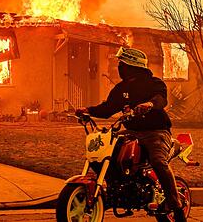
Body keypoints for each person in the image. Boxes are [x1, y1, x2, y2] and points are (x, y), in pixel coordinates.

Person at [76, 47, 186, 222]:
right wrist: (88, 110)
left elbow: (161, 99)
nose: (119, 67)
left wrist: (149, 104)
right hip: (131, 132)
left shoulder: (154, 83)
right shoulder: (120, 89)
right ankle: (118, 189)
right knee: (108, 153)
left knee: (158, 161)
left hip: (156, 132)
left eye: (122, 64)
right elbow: (108, 108)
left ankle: (177, 206)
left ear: (132, 66)